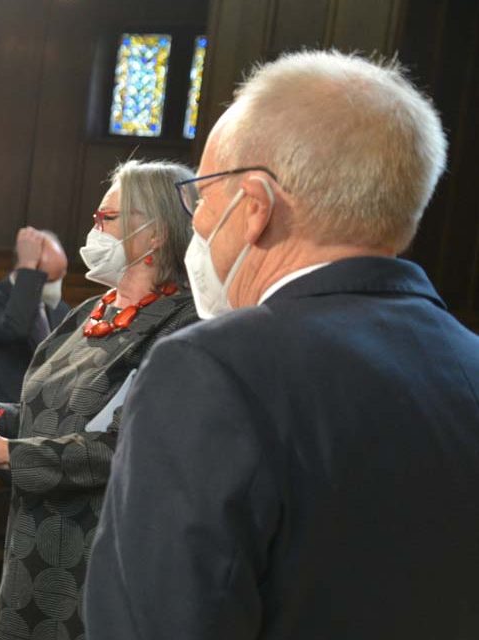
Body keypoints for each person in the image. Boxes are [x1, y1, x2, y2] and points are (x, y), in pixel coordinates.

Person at [84, 51, 479, 640]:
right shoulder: (467, 359)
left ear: (255, 207)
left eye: (203, 195)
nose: (195, 221)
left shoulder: (212, 370)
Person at [0, 160, 198, 640]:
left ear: (155, 234)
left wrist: (1, 453)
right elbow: (54, 414)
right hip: (34, 542)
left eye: (107, 219)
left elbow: (132, 449)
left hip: (98, 552)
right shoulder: (88, 312)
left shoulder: (182, 327)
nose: (93, 230)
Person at [0, 228, 71, 403]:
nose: (56, 287)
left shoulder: (60, 309)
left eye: (60, 277)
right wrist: (28, 266)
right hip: (0, 409)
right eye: (50, 281)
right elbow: (15, 328)